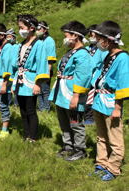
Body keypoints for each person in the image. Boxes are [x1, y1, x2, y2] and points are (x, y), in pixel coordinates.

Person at [89, 21, 129, 181]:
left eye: (99, 38)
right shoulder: (107, 55)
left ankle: (113, 168)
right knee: (101, 136)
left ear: (109, 39)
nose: (97, 41)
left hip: (111, 103)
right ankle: (102, 163)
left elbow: (123, 82)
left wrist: (118, 107)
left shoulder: (123, 57)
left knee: (114, 138)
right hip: (99, 101)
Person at [49, 21, 92, 161]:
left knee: (75, 123)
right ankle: (68, 146)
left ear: (75, 36)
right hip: (62, 93)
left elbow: (83, 76)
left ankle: (80, 149)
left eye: (66, 35)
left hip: (72, 94)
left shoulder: (83, 54)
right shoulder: (71, 52)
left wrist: (76, 96)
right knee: (63, 121)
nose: (65, 38)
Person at [12, 14, 49, 142]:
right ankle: (26, 134)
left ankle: (32, 136)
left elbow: (41, 65)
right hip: (20, 80)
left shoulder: (39, 44)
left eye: (22, 27)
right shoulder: (21, 44)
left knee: (30, 109)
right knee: (22, 110)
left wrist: (38, 84)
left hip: (30, 81)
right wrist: (13, 83)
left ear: (31, 28)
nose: (20, 30)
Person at [84, 24, 109, 125]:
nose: (90, 36)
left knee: (91, 98)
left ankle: (90, 118)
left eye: (92, 34)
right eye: (89, 34)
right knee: (85, 97)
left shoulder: (101, 49)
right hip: (86, 76)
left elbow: (98, 62)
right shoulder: (88, 48)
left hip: (95, 77)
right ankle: (85, 116)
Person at [36, 21, 57, 112]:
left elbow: (51, 58)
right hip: (38, 69)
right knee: (39, 90)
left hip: (46, 69)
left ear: (44, 30)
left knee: (45, 90)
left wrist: (48, 72)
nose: (37, 31)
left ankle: (46, 108)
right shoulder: (38, 40)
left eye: (39, 29)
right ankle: (41, 108)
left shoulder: (49, 40)